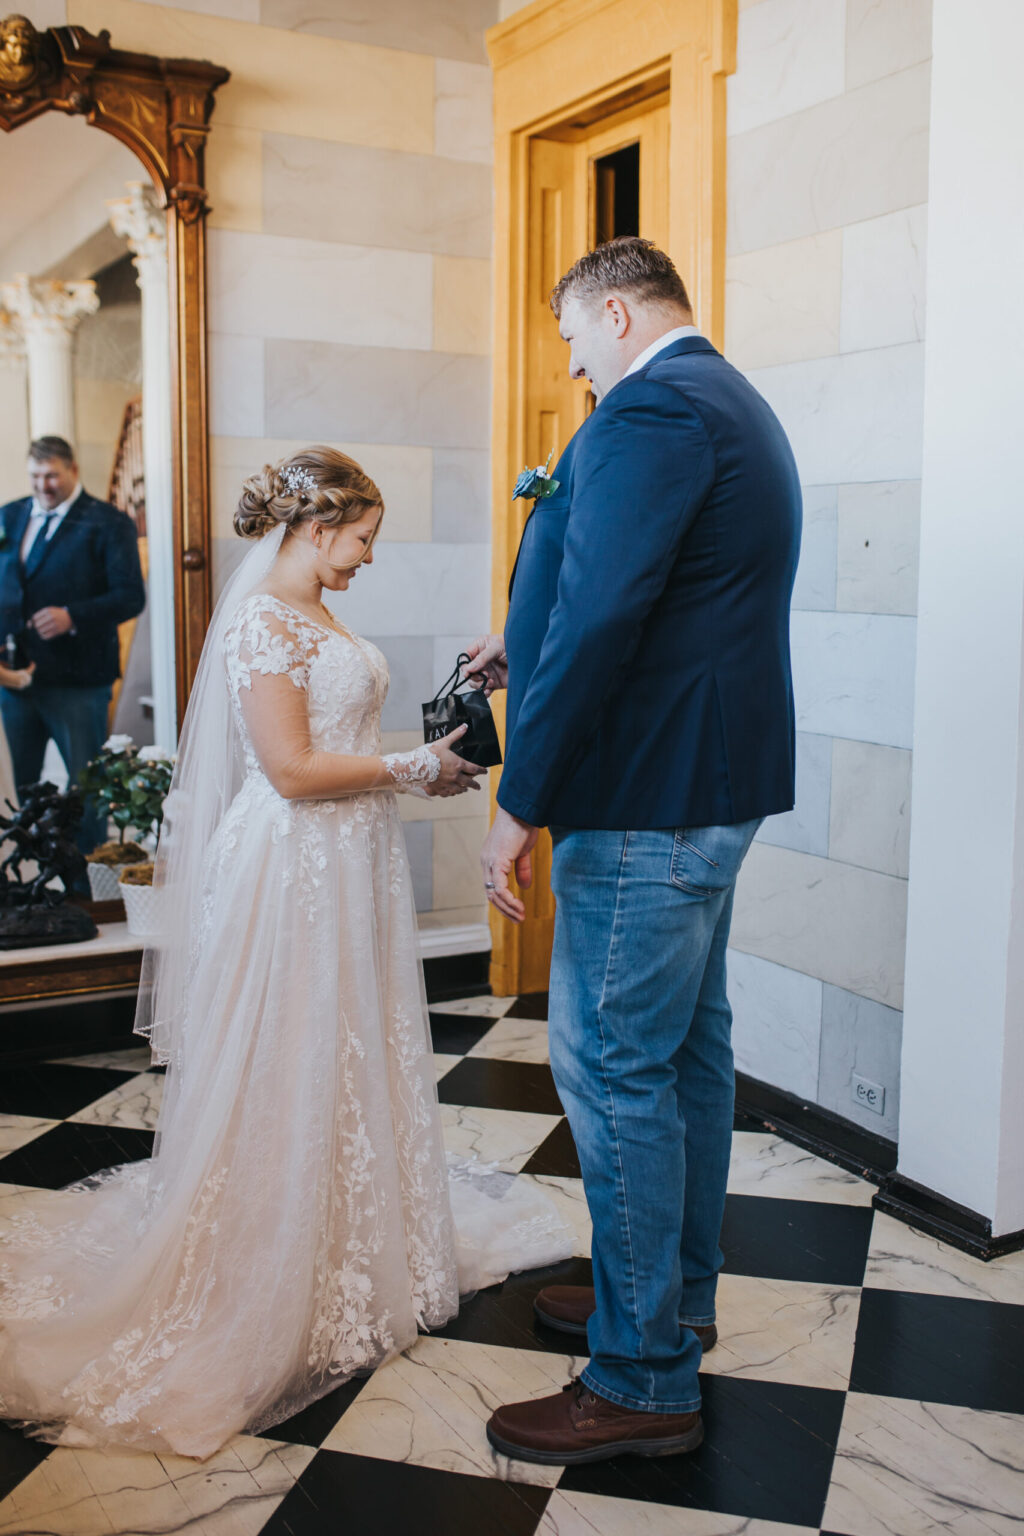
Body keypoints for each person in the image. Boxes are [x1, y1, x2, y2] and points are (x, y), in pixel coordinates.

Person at [0, 448, 571, 1457]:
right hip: (292, 862)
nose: (366, 558)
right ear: (318, 525)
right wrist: (414, 765)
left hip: (348, 857)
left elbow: (334, 732)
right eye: (361, 539)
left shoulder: (315, 612)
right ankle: (272, 1256)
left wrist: (424, 754)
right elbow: (292, 769)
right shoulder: (263, 617)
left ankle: (350, 1234)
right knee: (292, 1048)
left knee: (349, 1042)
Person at [465, 237, 802, 1465]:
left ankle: (642, 1374)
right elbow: (655, 594)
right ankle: (667, 1300)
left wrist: (522, 793)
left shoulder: (649, 406)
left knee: (613, 1070)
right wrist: (521, 639)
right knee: (683, 1060)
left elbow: (610, 613)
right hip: (709, 781)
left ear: (614, 313)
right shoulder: (727, 397)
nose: (570, 365)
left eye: (570, 340)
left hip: (649, 790)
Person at [0, 435, 146, 853]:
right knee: (22, 788)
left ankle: (85, 885)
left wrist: (73, 616)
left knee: (87, 787)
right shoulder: (9, 516)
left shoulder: (108, 521)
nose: (43, 485)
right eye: (35, 476)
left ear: (73, 471)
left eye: (52, 475)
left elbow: (131, 596)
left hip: (79, 682)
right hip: (14, 680)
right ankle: (30, 880)